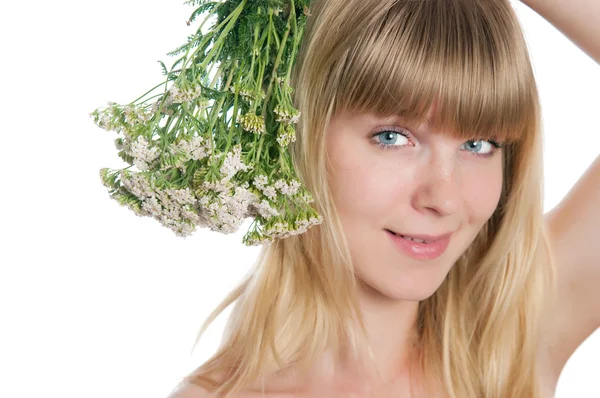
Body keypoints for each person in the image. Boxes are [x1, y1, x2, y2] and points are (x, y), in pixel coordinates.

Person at [167, 0, 600, 396]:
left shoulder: (505, 340)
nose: (444, 199)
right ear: (292, 132)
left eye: (479, 145)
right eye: (393, 137)